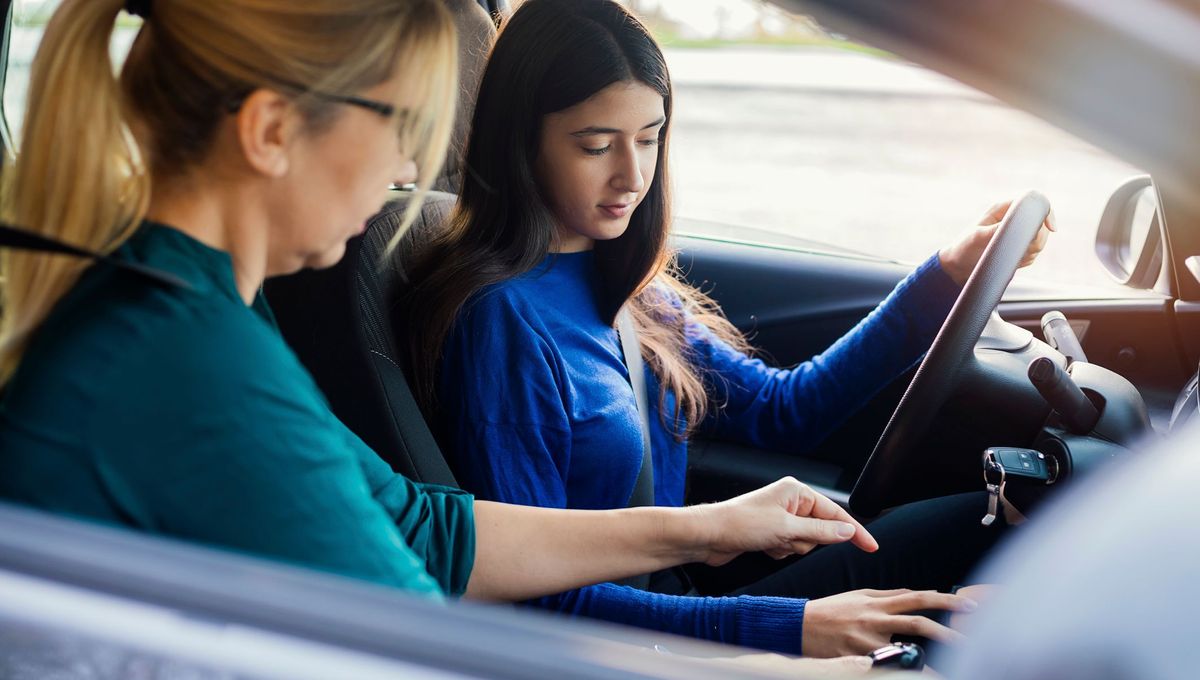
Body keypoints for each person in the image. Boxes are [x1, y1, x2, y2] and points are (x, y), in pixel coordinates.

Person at [0, 0, 880, 620]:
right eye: (402, 128)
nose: (403, 174)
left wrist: (703, 529)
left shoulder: (192, 305)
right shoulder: (189, 361)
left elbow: (423, 529)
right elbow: (416, 633)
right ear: (271, 131)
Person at [401, 0, 1054, 658]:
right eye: (596, 145)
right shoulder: (502, 324)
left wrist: (948, 273)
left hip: (679, 604)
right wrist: (785, 626)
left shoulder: (626, 283)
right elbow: (535, 602)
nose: (632, 175)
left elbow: (784, 409)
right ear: (523, 142)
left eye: (650, 137)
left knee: (990, 521)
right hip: (636, 642)